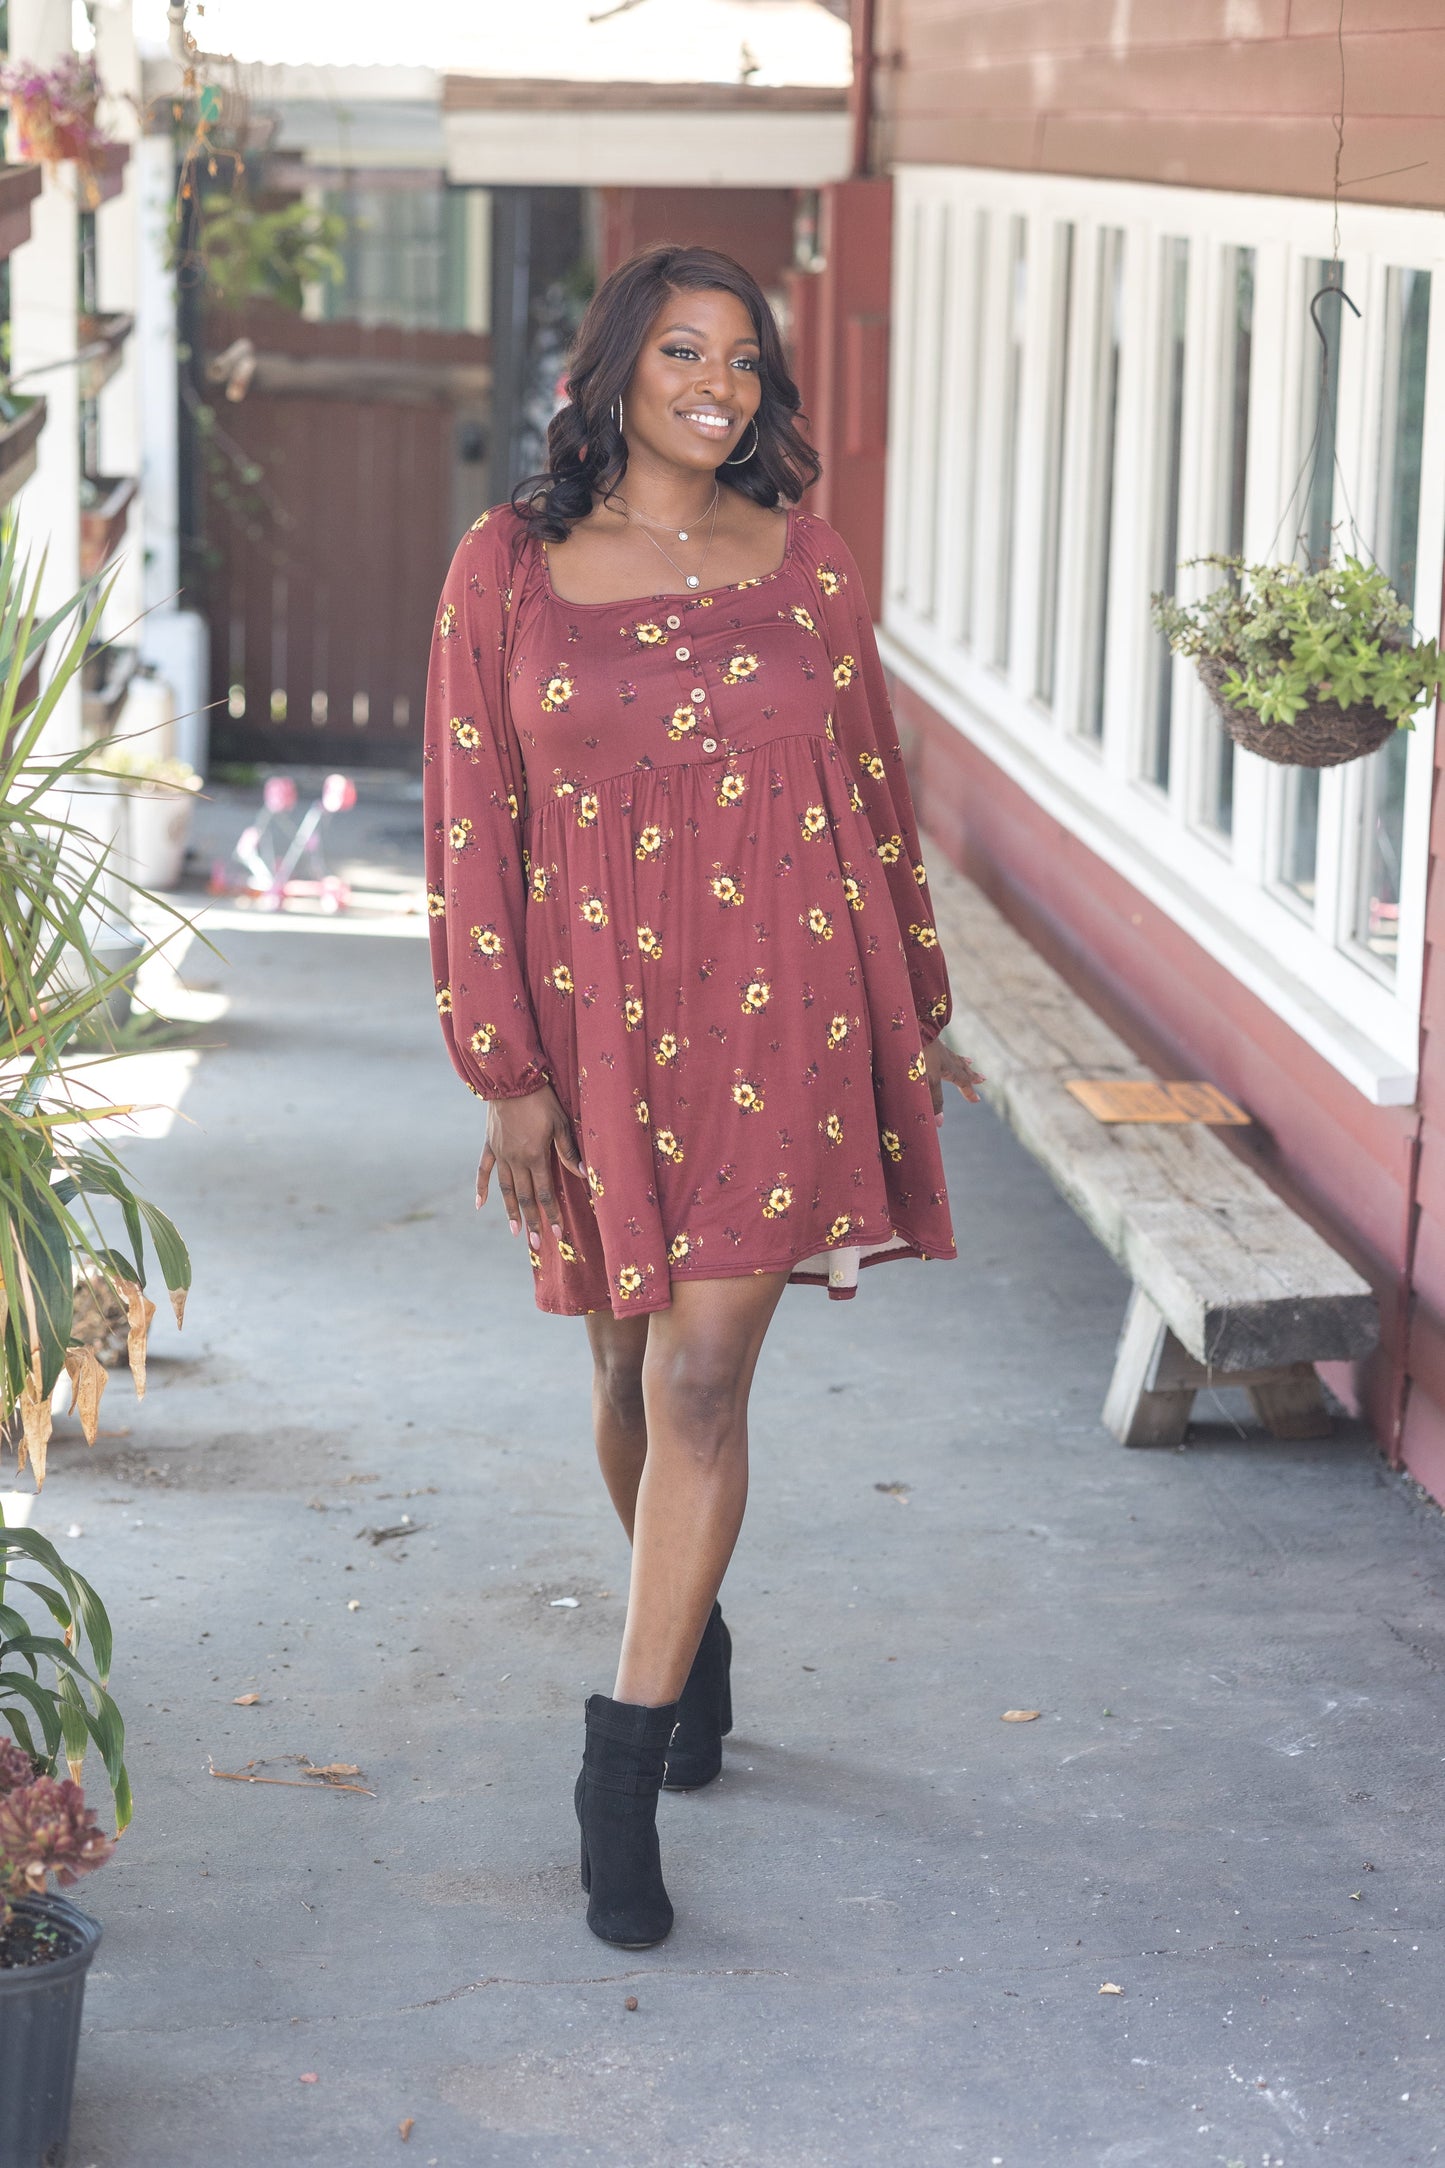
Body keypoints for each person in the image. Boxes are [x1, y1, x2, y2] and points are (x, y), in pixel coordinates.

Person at [424, 245, 981, 1950]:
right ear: (610, 371)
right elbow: (468, 818)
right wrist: (502, 1073)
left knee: (700, 1381)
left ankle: (620, 1764)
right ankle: (697, 1621)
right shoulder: (505, 569)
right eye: (681, 349)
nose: (718, 383)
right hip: (594, 1022)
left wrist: (916, 1004)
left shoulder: (802, 560)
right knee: (617, 1359)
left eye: (742, 358)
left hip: (777, 1009)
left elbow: (870, 777)